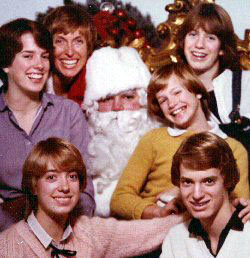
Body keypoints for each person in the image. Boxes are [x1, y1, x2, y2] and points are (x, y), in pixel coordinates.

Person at [0, 137, 186, 257]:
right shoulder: (7, 246)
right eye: (51, 177)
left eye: (72, 177)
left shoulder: (89, 232)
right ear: (34, 185)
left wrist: (191, 211)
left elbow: (149, 232)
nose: (64, 187)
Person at [110, 62, 249, 220]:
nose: (171, 103)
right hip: (155, 225)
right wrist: (156, 212)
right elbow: (119, 199)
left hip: (207, 227)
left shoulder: (233, 147)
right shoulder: (154, 139)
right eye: (163, 100)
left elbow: (240, 203)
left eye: (177, 92)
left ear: (196, 91)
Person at [0, 18, 95, 232]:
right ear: (6, 64)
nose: (39, 65)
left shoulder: (68, 113)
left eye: (44, 56)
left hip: (66, 232)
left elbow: (85, 190)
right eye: (28, 56)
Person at [83, 46, 161, 217]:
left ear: (143, 101)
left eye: (128, 97)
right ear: (93, 107)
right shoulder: (81, 143)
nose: (117, 108)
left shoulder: (162, 140)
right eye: (107, 99)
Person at [161, 132, 250, 258]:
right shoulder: (176, 237)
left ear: (228, 180)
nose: (197, 195)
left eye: (208, 181)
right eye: (187, 182)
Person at [177, 2, 250, 126]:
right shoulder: (173, 93)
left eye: (210, 38)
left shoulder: (246, 83)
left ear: (222, 48)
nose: (199, 45)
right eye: (193, 35)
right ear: (183, 42)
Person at [43, 5, 97, 105]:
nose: (70, 52)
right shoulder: (38, 86)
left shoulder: (97, 84)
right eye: (60, 41)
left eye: (78, 42)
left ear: (88, 48)